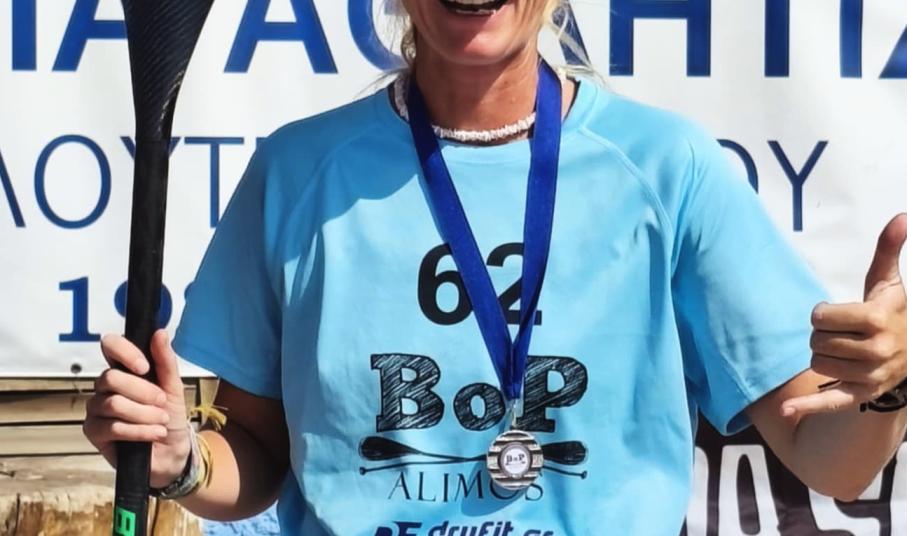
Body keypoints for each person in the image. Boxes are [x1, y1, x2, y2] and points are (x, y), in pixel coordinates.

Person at [83, 0, 907, 534]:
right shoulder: (298, 173)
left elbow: (832, 459)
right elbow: (254, 462)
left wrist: (886, 389)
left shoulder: (666, 167)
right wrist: (182, 462)